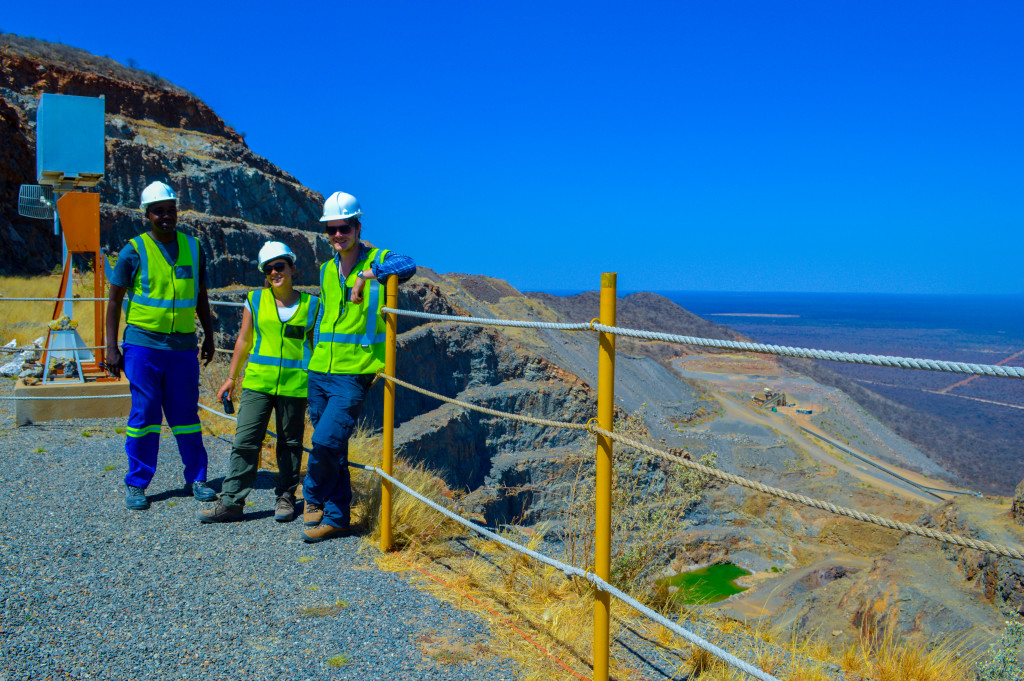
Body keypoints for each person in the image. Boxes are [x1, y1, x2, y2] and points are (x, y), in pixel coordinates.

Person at [300, 191, 416, 543]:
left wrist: (367, 276)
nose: (337, 235)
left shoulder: (378, 259)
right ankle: (336, 518)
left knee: (324, 442)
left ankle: (311, 495)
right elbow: (323, 319)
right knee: (334, 448)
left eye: (343, 228)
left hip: (353, 374)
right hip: (320, 371)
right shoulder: (326, 269)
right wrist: (312, 359)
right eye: (331, 229)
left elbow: (408, 264)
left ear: (357, 226)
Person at [105, 181, 217, 510]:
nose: (166, 215)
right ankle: (137, 483)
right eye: (159, 210)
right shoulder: (133, 250)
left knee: (186, 415)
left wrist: (209, 336)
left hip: (182, 348)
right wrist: (111, 348)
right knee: (146, 413)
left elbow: (201, 297)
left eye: (170, 209)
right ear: (147, 215)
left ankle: (197, 478)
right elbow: (114, 302)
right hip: (143, 346)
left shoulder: (194, 248)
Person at [198, 241, 318, 523]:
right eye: (269, 268)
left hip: (295, 385)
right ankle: (231, 502)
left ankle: (286, 497)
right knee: (245, 440)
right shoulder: (254, 300)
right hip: (258, 383)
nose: (275, 272)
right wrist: (231, 379)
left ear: (291, 268)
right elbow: (244, 339)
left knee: (290, 444)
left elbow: (317, 346)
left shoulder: (314, 305)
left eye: (280, 266)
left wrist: (318, 385)